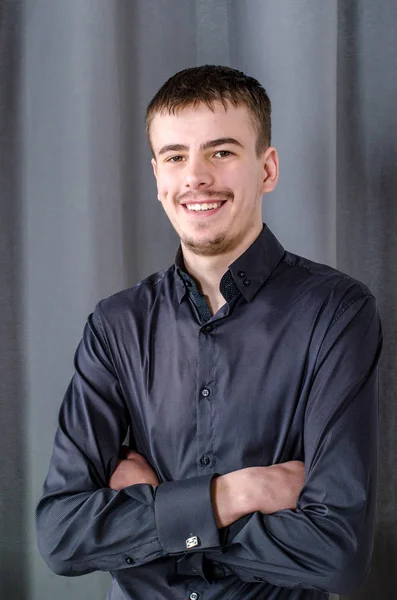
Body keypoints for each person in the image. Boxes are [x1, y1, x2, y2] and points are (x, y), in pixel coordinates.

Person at [36, 65, 382, 600]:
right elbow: (61, 536)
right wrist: (240, 492)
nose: (195, 176)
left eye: (221, 152)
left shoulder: (336, 313)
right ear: (158, 177)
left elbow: (336, 552)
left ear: (266, 169)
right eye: (176, 156)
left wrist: (161, 508)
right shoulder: (115, 325)